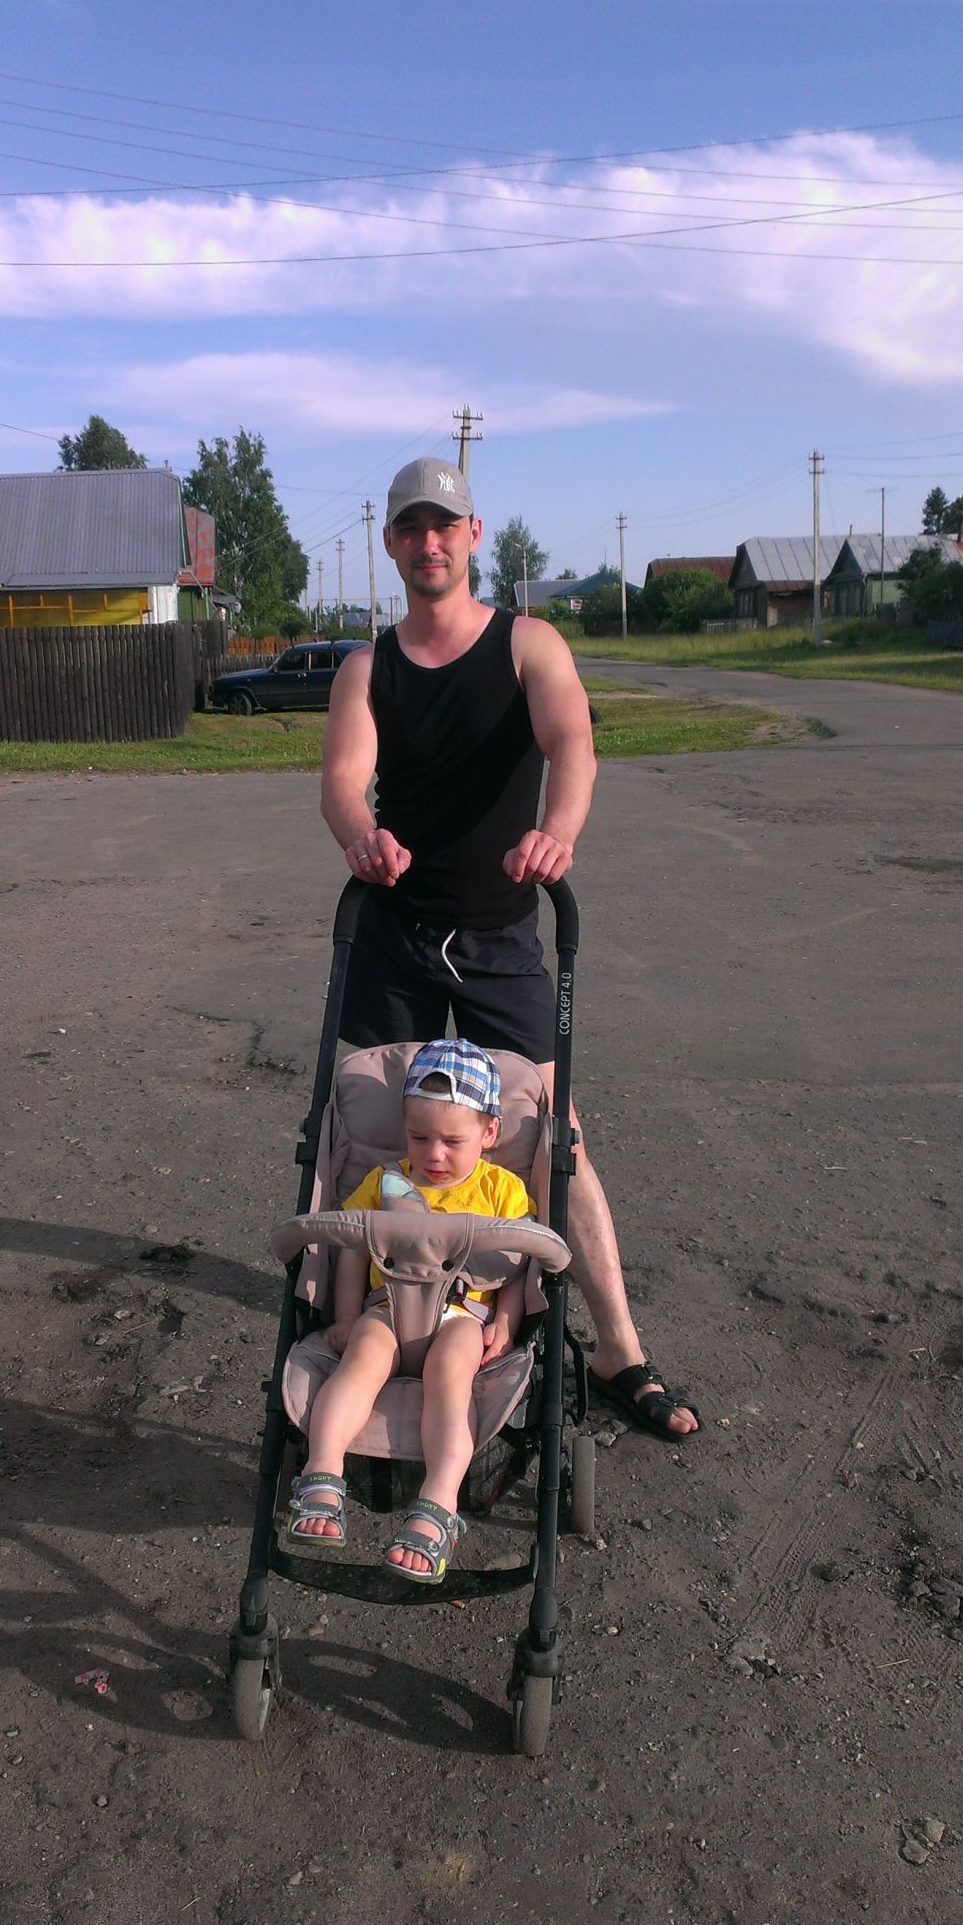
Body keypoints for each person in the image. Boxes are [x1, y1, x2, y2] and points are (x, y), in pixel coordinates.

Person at [320, 457, 698, 1439]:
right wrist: (361, 834)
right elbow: (344, 779)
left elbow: (573, 744)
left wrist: (557, 831)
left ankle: (617, 1348)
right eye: (412, 527)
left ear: (474, 534)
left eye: (445, 525)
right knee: (370, 1129)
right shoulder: (367, 668)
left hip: (500, 935)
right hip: (395, 931)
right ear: (391, 542)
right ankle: (372, 1316)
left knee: (555, 1138)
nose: (429, 542)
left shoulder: (528, 645)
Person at [287, 1038, 532, 1581]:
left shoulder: (502, 1189)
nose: (434, 1155)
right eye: (419, 1137)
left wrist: (506, 1321)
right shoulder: (385, 1182)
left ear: (489, 1133)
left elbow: (518, 1265)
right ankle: (322, 1471)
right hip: (387, 1307)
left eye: (452, 1141)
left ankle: (439, 1501)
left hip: (462, 1315)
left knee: (451, 1380)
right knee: (359, 1363)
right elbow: (353, 1249)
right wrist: (344, 1316)